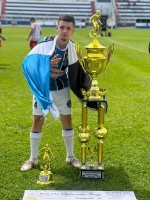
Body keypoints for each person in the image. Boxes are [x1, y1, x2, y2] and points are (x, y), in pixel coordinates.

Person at [21, 15, 92, 171]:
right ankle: (32, 159)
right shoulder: (44, 43)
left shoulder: (73, 48)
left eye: (68, 28)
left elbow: (79, 71)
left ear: (72, 31)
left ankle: (70, 157)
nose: (64, 31)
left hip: (62, 88)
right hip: (43, 89)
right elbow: (29, 62)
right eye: (62, 27)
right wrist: (46, 64)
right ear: (57, 28)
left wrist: (89, 87)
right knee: (38, 120)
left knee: (67, 119)